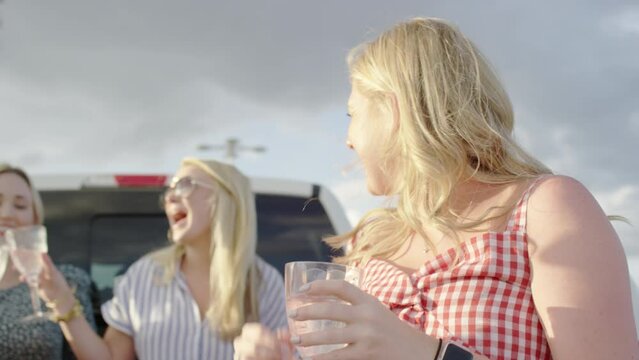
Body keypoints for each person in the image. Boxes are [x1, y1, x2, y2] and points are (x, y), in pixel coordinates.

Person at [233, 17, 639, 360]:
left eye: (352, 114)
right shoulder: (374, 243)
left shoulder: (545, 207)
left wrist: (432, 353)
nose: (349, 139)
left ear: (394, 110)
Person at [37, 157, 288, 360]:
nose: (169, 198)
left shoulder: (266, 283)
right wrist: (62, 302)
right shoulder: (143, 275)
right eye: (169, 190)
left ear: (226, 199)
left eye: (185, 185)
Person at [0, 163, 96, 359]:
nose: (6, 214)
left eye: (20, 205)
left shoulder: (65, 280)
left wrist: (61, 301)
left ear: (35, 217)